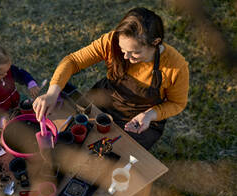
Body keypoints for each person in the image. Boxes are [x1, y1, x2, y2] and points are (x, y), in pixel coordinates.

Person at [33, 7, 189, 150]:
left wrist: (149, 115)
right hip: (106, 98)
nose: (126, 57)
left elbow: (177, 103)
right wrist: (52, 93)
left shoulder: (175, 66)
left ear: (155, 42)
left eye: (135, 53)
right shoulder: (111, 41)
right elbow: (73, 61)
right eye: (122, 50)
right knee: (77, 137)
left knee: (115, 154)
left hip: (140, 117)